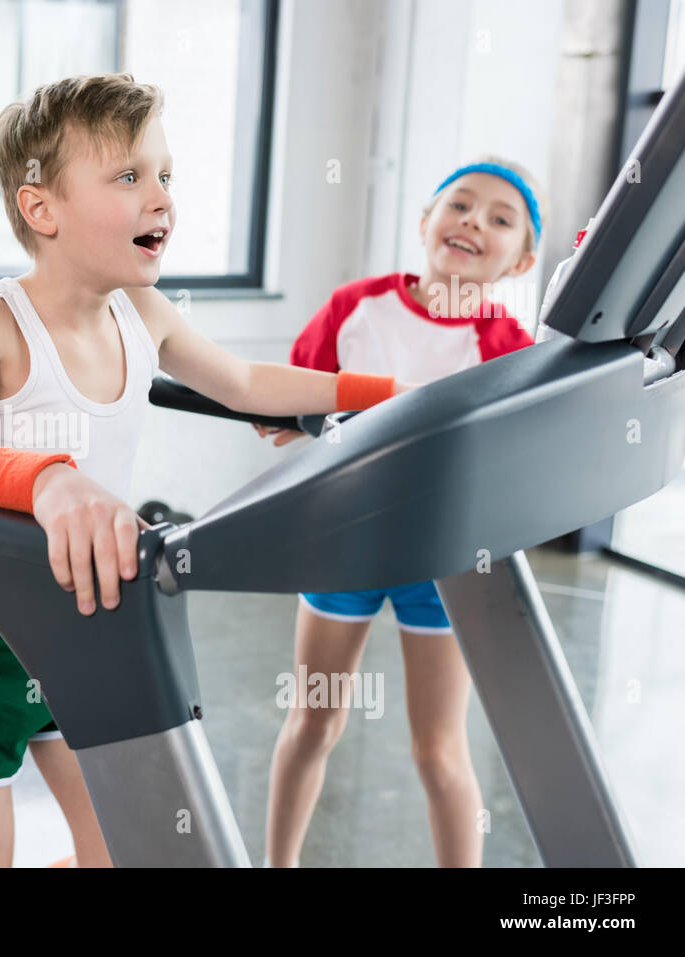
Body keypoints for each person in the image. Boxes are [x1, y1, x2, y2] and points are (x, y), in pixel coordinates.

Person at [0, 73, 412, 867]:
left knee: (119, 852)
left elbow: (244, 384)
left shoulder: (144, 314)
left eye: (165, 174)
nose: (162, 198)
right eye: (129, 177)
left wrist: (387, 398)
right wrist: (45, 477)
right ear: (43, 209)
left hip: (88, 613)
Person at [261, 155, 546, 867]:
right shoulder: (355, 306)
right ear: (425, 221)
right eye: (460, 205)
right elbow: (284, 411)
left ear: (523, 259)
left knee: (439, 749)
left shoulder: (510, 349)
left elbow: (513, 466)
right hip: (343, 544)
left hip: (443, 561)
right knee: (311, 724)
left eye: (501, 218)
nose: (475, 221)